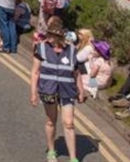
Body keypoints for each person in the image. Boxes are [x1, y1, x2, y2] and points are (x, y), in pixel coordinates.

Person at [31, 16, 84, 162]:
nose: (48, 37)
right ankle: (51, 151)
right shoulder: (41, 48)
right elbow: (35, 72)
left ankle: (73, 158)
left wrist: (81, 90)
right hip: (48, 89)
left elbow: (76, 73)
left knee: (69, 123)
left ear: (59, 36)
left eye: (52, 35)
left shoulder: (71, 50)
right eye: (48, 34)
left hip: (67, 90)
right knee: (51, 121)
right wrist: (33, 93)